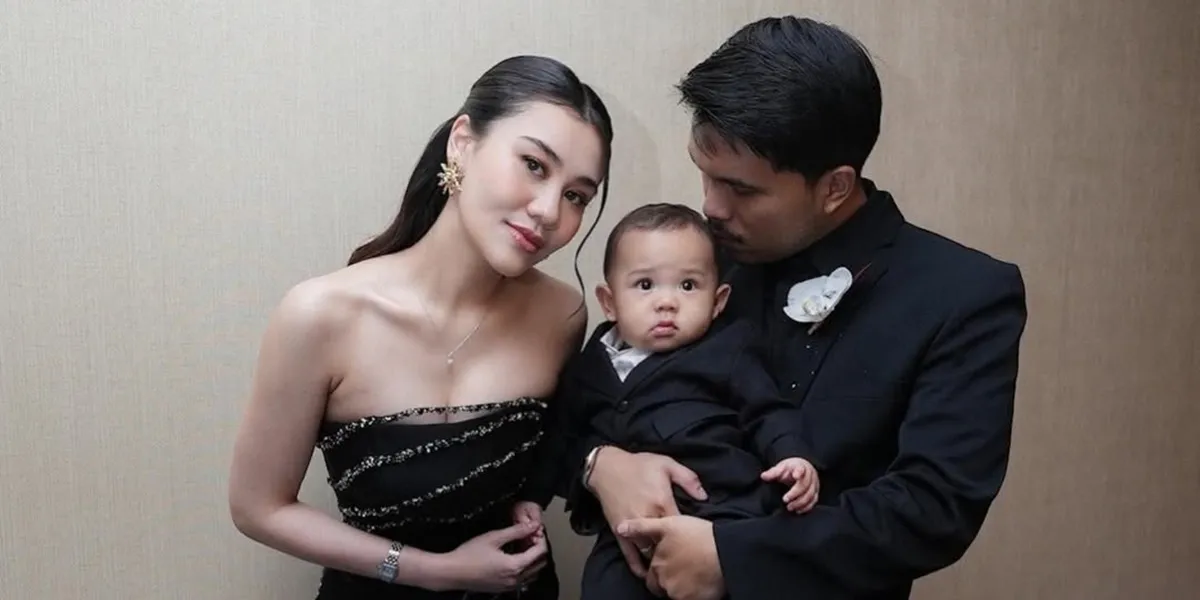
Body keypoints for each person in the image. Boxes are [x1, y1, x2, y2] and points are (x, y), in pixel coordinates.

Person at [563, 16, 1029, 600]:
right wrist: (600, 465)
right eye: (705, 176)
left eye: (742, 189)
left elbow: (932, 508)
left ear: (834, 187)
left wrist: (733, 558)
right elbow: (596, 395)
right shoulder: (693, 273)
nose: (711, 207)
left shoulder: (964, 294)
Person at [226, 54, 613, 600]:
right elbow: (257, 507)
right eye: (533, 164)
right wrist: (434, 571)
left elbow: (560, 455)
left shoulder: (564, 316)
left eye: (576, 195)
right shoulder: (321, 315)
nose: (549, 210)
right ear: (463, 142)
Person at [521, 202, 821, 600]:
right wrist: (533, 496)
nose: (667, 302)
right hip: (630, 527)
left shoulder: (729, 349)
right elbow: (562, 431)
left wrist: (792, 455)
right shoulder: (592, 362)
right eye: (645, 285)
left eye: (688, 285)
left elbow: (766, 409)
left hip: (723, 509)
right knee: (604, 587)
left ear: (718, 300)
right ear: (609, 302)